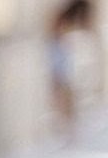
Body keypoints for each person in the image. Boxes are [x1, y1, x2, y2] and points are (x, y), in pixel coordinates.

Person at [49, 0, 98, 139]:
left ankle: (67, 124)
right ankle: (66, 124)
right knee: (62, 89)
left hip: (64, 53)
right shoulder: (64, 16)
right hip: (60, 52)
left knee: (65, 89)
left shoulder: (68, 17)